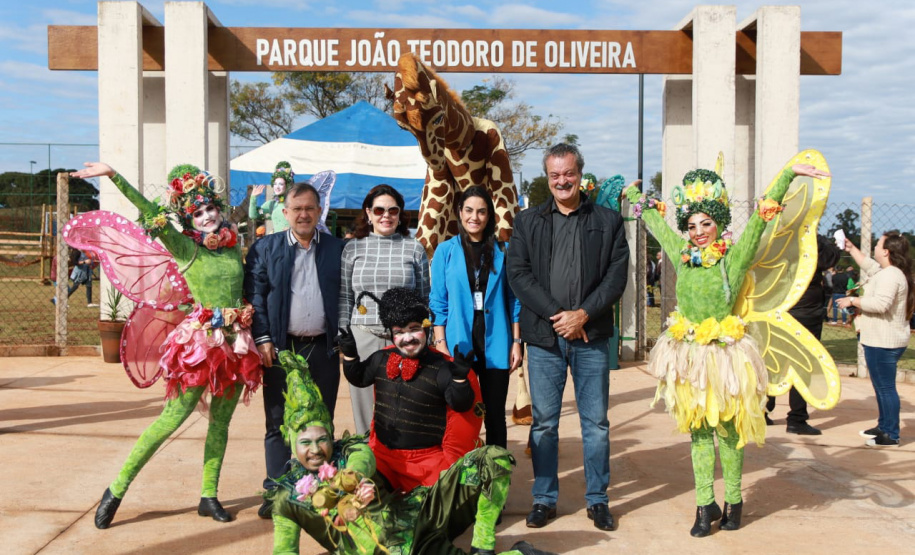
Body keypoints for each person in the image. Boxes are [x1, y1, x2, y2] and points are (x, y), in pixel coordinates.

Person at [625, 160, 830, 537]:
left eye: (706, 223)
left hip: (726, 359)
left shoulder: (734, 258)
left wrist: (788, 174)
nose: (698, 232)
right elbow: (652, 221)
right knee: (698, 433)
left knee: (729, 433)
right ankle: (705, 505)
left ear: (718, 223)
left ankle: (734, 499)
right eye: (691, 225)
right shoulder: (681, 253)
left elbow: (761, 218)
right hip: (689, 358)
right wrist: (632, 193)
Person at [69, 162, 263, 528]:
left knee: (221, 424)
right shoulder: (184, 247)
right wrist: (114, 175)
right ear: (188, 219)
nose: (206, 216)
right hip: (201, 347)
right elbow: (150, 211)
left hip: (235, 345)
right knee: (171, 419)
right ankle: (116, 489)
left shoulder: (231, 247)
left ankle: (209, 496)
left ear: (219, 209)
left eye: (210, 208)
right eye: (197, 212)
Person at [270, 340, 554, 555]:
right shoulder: (287, 496)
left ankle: (486, 547)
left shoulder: (350, 453)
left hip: (408, 531)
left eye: (321, 439)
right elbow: (284, 549)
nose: (316, 450)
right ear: (291, 444)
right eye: (305, 443)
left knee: (494, 459)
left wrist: (349, 483)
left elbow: (362, 464)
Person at [507, 143, 629, 532]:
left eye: (568, 173)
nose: (562, 181)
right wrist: (557, 316)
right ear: (547, 178)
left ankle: (597, 500)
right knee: (544, 424)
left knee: (595, 423)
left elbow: (616, 276)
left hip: (591, 337)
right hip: (545, 339)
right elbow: (519, 275)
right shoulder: (527, 222)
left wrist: (583, 314)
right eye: (555, 175)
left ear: (580, 174)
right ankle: (544, 498)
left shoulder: (608, 221)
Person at [245, 181, 344, 518]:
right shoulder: (264, 248)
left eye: (309, 208)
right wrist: (263, 339)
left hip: (324, 348)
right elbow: (255, 297)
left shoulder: (336, 249)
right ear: (284, 212)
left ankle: (315, 489)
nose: (303, 214)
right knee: (277, 423)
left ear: (319, 212)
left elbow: (346, 296)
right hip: (281, 348)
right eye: (296, 208)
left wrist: (344, 338)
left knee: (322, 421)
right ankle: (276, 492)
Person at [430, 185, 522, 448]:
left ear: (489, 216)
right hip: (459, 344)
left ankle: (497, 476)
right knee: (460, 415)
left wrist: (516, 342)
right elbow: (438, 301)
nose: (475, 217)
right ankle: (461, 476)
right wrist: (440, 343)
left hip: (497, 342)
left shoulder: (503, 251)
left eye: (482, 212)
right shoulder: (445, 251)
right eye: (469, 210)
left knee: (495, 417)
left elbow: (513, 299)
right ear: (460, 212)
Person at [339, 184, 430, 435]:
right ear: (368, 213)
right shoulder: (352, 248)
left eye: (393, 210)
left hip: (405, 340)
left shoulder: (414, 248)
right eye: (379, 210)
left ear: (401, 214)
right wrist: (343, 336)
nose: (385, 215)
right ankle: (369, 465)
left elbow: (424, 297)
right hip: (363, 339)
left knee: (405, 409)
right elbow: (345, 296)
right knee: (366, 414)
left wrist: (426, 338)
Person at [836, 231, 914, 447]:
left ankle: (890, 434)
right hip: (880, 339)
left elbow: (881, 304)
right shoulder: (888, 272)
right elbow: (869, 265)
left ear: (886, 251)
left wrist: (853, 300)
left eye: (878, 245)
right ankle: (884, 426)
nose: (875, 248)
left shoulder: (891, 275)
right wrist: (851, 249)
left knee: (886, 388)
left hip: (884, 341)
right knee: (881, 387)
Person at [765, 234, 842, 434]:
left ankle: (763, 410)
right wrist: (826, 241)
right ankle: (796, 418)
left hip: (779, 306)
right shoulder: (809, 237)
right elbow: (829, 259)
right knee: (803, 362)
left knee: (774, 360)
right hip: (805, 309)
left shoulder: (776, 236)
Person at [249, 161, 294, 234]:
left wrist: (292, 229)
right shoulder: (271, 205)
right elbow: (254, 215)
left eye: (281, 184)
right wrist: (253, 198)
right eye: (275, 184)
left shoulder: (295, 203)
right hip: (277, 242)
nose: (277, 187)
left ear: (287, 185)